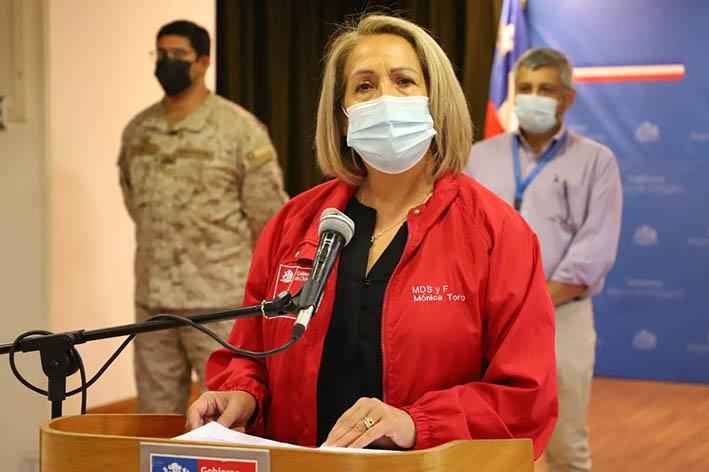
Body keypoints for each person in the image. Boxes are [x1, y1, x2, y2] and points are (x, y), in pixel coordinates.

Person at [186, 14, 557, 457]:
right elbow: (249, 355)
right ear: (343, 118)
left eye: (404, 81)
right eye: (364, 86)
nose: (384, 98)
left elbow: (525, 396)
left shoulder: (497, 233)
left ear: (435, 102)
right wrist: (243, 395)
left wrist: (416, 423)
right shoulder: (294, 223)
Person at [463, 48, 623, 471]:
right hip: (486, 326)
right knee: (492, 446)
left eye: (545, 89)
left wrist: (529, 306)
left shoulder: (596, 161)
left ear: (567, 97)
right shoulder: (477, 157)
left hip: (562, 320)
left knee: (566, 445)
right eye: (525, 88)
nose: (533, 97)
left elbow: (594, 251)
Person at [118, 20, 288, 415]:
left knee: (223, 414)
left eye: (179, 55)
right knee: (155, 415)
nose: (167, 63)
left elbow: (269, 219)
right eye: (161, 54)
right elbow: (134, 201)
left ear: (203, 62)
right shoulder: (139, 131)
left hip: (220, 304)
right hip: (154, 301)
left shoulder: (239, 130)